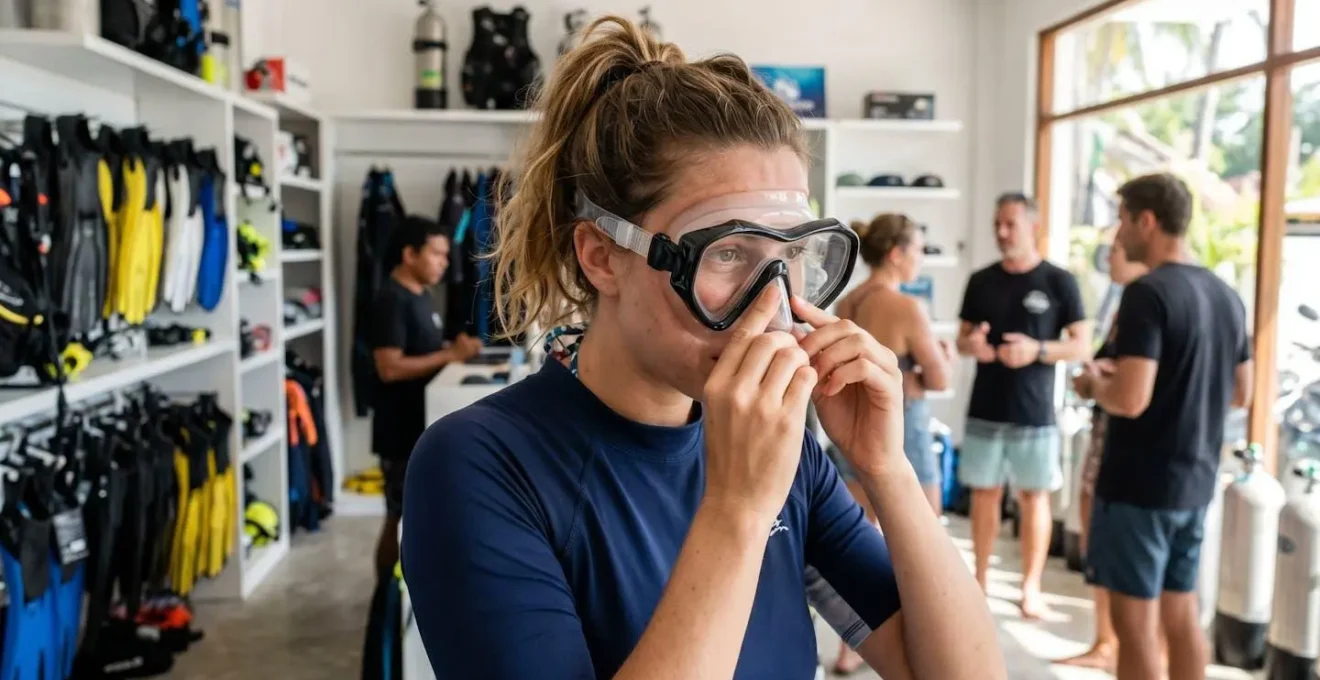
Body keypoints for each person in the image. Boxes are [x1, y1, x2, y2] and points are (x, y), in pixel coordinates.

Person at [401, 16, 1004, 680]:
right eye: (729, 252)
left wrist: (886, 472)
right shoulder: (479, 463)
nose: (773, 305)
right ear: (602, 256)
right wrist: (737, 511)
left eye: (795, 254)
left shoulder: (789, 456)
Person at [1083, 173, 1252, 680]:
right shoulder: (1226, 294)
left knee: (1134, 627)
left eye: (1122, 218)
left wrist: (1094, 386)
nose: (1118, 231)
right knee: (1181, 616)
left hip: (1139, 486)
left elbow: (1131, 399)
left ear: (1147, 220)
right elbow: (1241, 393)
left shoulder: (1147, 294)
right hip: (1195, 481)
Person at [825, 213, 954, 675]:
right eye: (918, 250)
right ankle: (934, 647)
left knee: (855, 544)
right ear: (897, 254)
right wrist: (942, 359)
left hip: (848, 423)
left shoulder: (847, 302)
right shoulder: (907, 307)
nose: (919, 259)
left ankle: (846, 652)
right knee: (924, 540)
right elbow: (937, 376)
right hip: (902, 429)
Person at [956, 193, 1090, 619]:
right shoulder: (980, 280)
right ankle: (979, 580)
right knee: (985, 495)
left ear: (1033, 227)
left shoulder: (1060, 282)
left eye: (1010, 224)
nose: (1001, 232)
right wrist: (973, 345)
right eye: (997, 223)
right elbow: (963, 339)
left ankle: (1030, 588)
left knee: (1035, 499)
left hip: (1035, 414)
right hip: (986, 409)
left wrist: (1037, 350)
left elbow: (1082, 345)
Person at [370, 215, 482, 578]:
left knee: (416, 519)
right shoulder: (390, 299)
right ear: (409, 254)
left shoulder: (422, 296)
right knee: (397, 518)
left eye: (446, 256)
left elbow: (422, 350)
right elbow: (389, 366)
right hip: (399, 430)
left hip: (420, 423)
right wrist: (450, 356)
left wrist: (452, 348)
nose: (444, 263)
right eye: (436, 254)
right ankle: (387, 600)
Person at [1058, 232, 1149, 672]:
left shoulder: (1142, 302)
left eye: (1115, 247)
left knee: (1119, 561)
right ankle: (1106, 641)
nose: (1109, 254)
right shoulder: (1125, 303)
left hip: (1124, 452)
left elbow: (1133, 388)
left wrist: (1096, 380)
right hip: (1109, 441)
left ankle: (1112, 645)